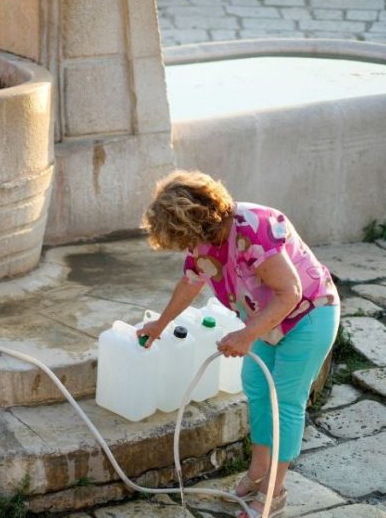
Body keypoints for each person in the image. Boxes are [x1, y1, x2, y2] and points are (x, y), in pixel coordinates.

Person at [136, 170, 340, 518]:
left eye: (183, 238)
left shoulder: (254, 227)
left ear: (197, 220)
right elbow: (190, 283)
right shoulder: (203, 240)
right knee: (257, 389)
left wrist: (246, 335)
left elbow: (289, 292)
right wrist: (160, 324)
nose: (186, 248)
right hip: (266, 320)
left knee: (286, 402)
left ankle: (274, 492)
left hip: (308, 316)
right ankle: (258, 472)